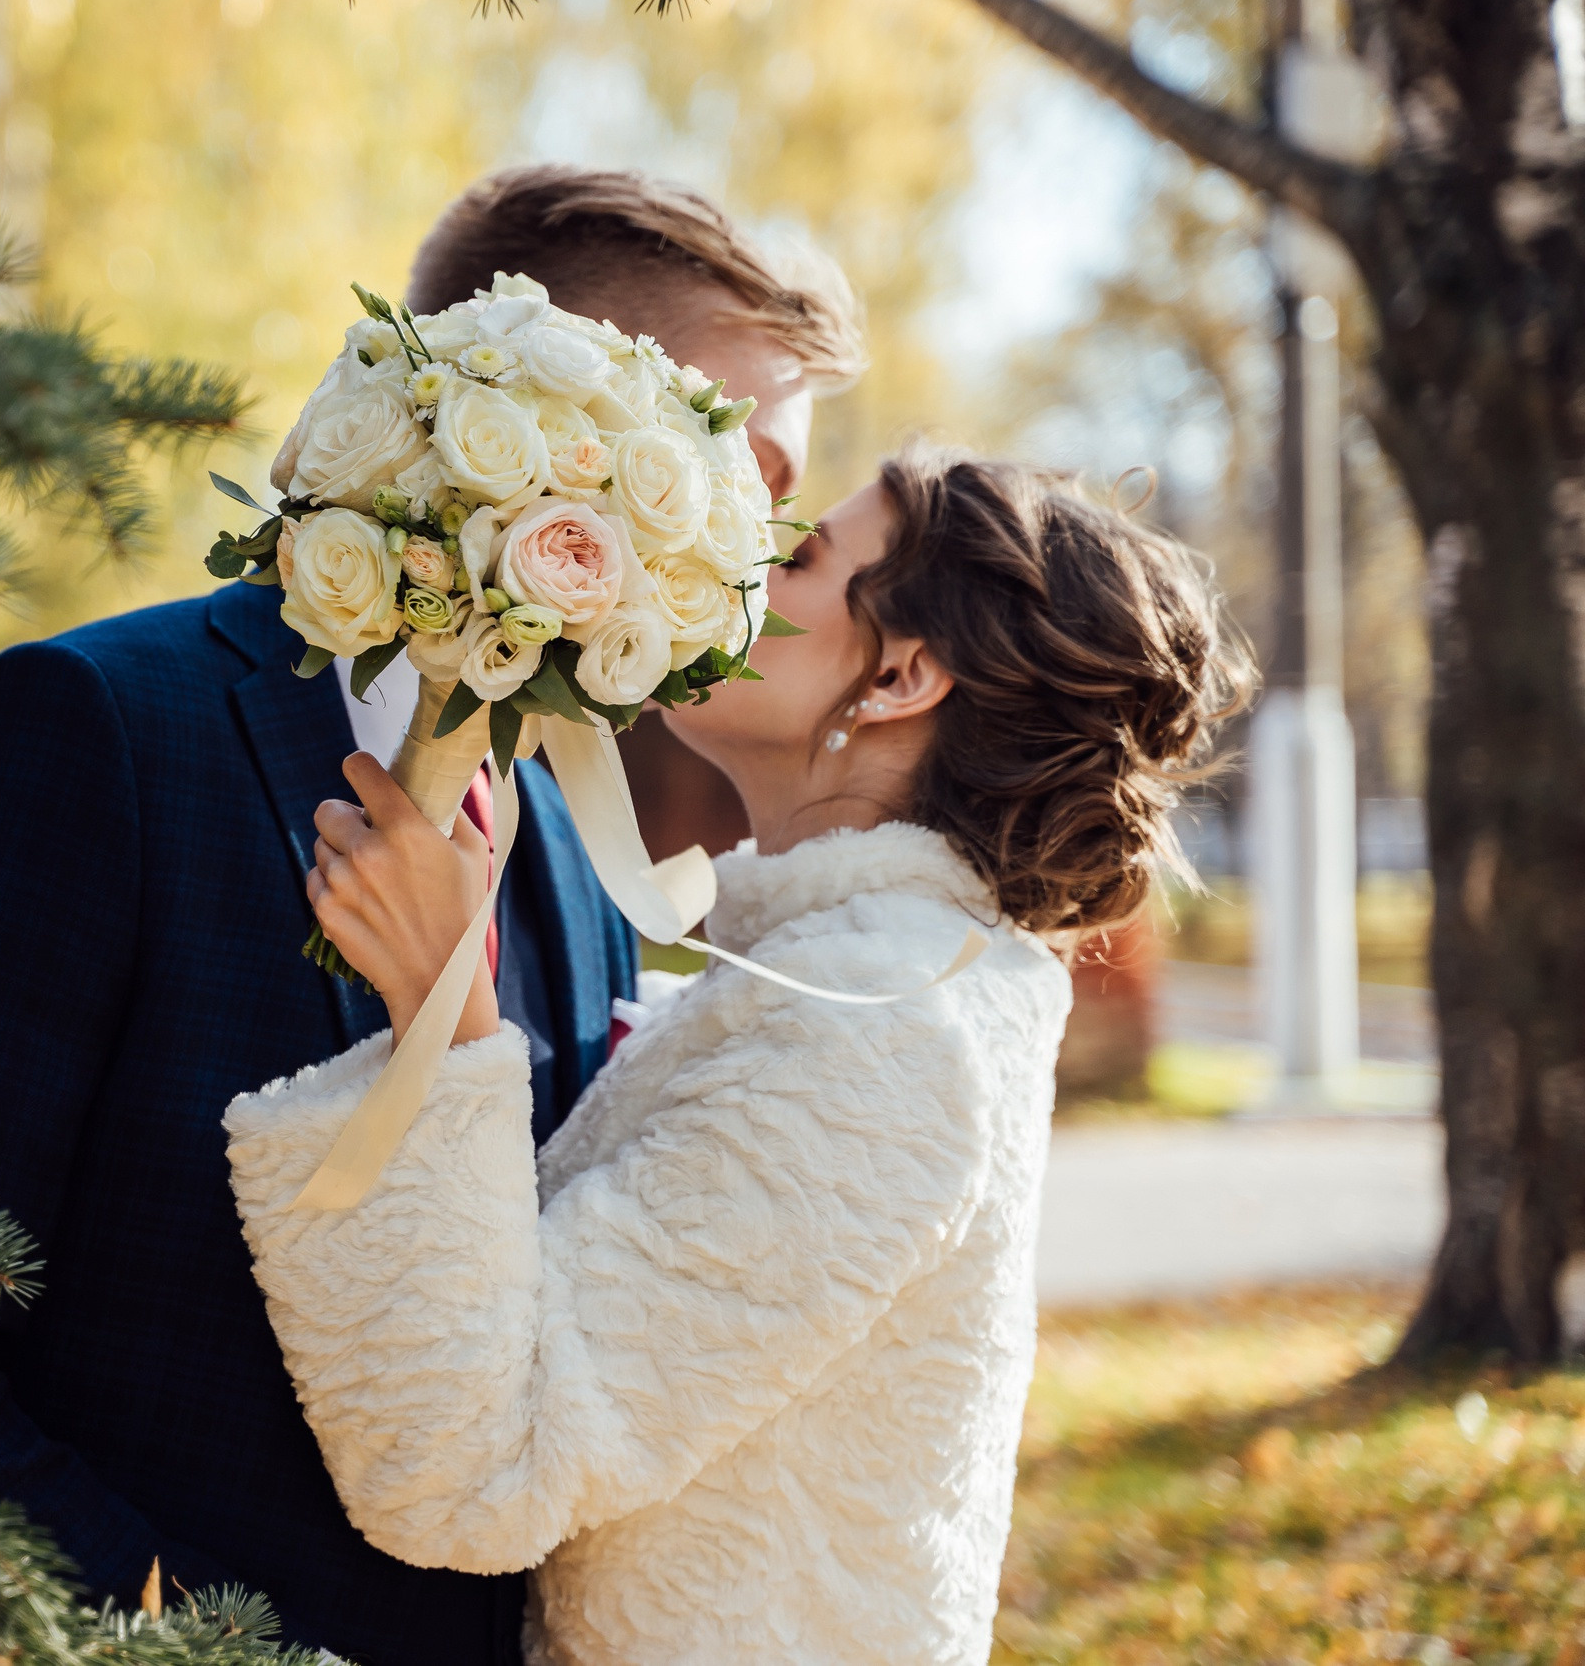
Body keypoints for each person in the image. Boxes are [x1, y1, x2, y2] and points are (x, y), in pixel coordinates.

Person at [0, 165, 863, 1666]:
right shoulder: (89, 732)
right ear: (563, 420)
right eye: (751, 473)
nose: (760, 560)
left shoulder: (574, 841)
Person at [225, 450, 1254, 1665]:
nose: (736, 561)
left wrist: (441, 1002)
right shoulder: (880, 978)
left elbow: (474, 1469)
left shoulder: (882, 1030)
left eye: (798, 555)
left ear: (901, 673)